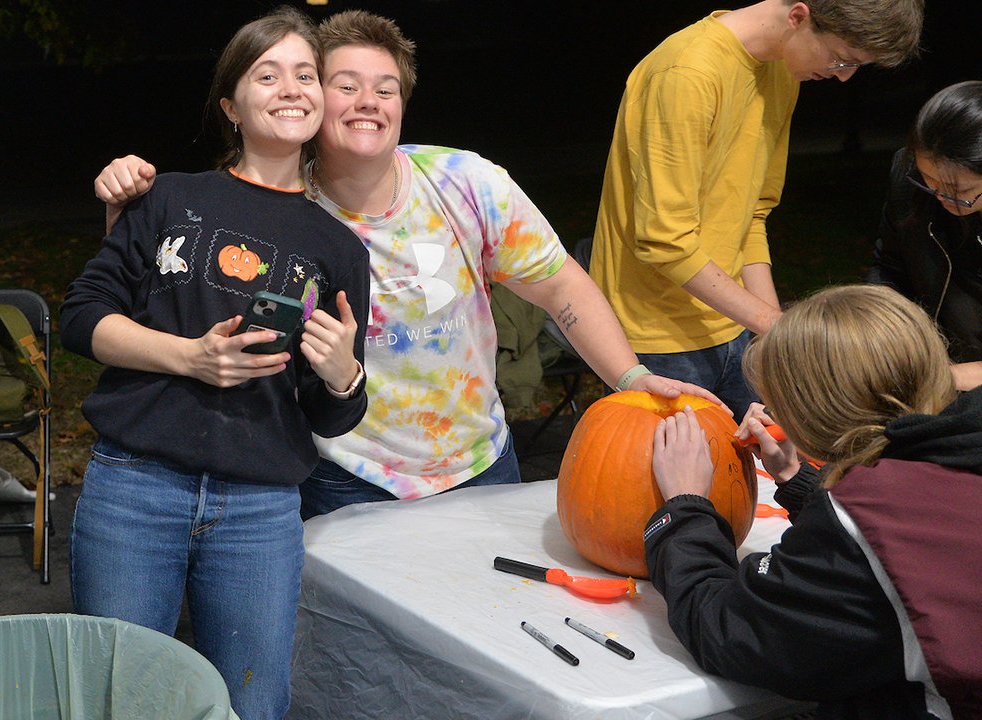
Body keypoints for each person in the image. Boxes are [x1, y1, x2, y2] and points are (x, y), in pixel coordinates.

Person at [95, 9, 723, 522]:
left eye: (385, 88)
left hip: (479, 465)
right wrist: (124, 209)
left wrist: (631, 378)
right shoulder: (282, 212)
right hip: (340, 475)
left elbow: (562, 286)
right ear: (313, 99)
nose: (368, 101)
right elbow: (172, 291)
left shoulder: (467, 183)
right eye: (346, 85)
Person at [60, 8, 370, 719]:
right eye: (268, 74)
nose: (291, 88)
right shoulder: (169, 198)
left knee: (252, 704)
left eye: (306, 75)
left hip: (259, 511)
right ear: (232, 105)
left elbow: (337, 413)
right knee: (119, 697)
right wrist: (190, 359)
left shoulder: (338, 247)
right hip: (135, 489)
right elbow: (81, 317)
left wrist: (342, 373)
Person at [646, 284, 981, 718]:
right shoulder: (956, 451)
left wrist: (683, 506)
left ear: (811, 419)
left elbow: (730, 631)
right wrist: (800, 481)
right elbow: (896, 561)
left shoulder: (865, 521)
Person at [590, 0, 925, 420]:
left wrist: (770, 334)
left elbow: (752, 214)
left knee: (770, 474)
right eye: (842, 59)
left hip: (735, 321)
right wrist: (778, 326)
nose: (844, 76)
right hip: (655, 339)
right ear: (799, 17)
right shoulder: (687, 73)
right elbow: (664, 241)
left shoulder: (782, 72)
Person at [868, 80, 982, 392]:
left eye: (962, 191)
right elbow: (890, 267)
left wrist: (951, 377)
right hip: (934, 366)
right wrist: (880, 334)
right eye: (928, 180)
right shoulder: (908, 180)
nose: (942, 196)